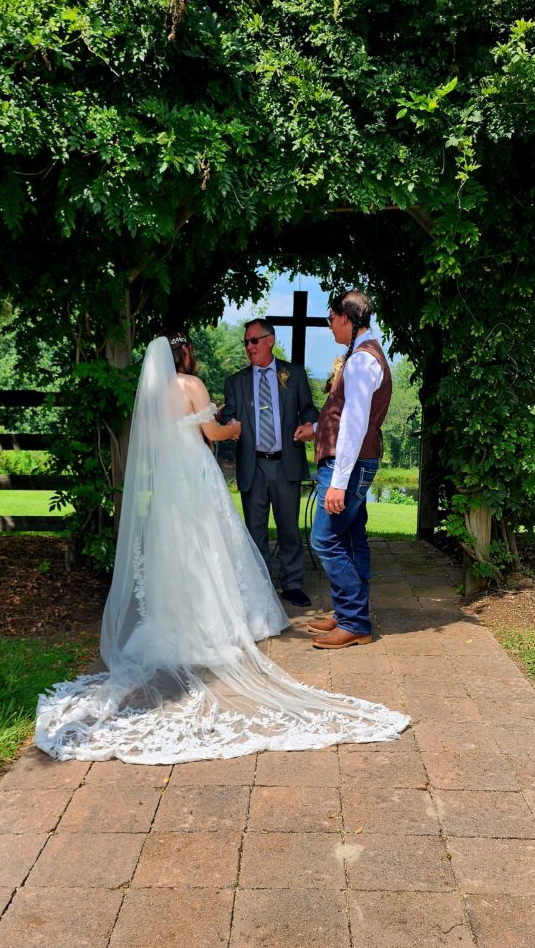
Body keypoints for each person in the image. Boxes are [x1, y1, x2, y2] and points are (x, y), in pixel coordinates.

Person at [35, 331, 408, 764]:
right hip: (195, 473)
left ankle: (177, 620)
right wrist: (230, 429)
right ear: (184, 354)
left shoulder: (154, 396)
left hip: (171, 485)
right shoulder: (191, 386)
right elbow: (213, 429)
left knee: (178, 552)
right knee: (211, 546)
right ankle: (217, 623)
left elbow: (157, 443)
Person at [295, 291, 392, 650]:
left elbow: (355, 425)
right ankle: (347, 612)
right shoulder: (359, 356)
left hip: (346, 465)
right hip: (348, 460)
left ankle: (354, 621)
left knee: (325, 539)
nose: (329, 325)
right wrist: (317, 430)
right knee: (351, 538)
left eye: (332, 318)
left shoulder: (362, 361)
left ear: (347, 319)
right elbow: (345, 417)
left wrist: (338, 483)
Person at [222, 319, 318, 608]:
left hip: (285, 462)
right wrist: (228, 422)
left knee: (289, 529)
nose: (249, 347)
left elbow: (309, 408)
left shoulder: (294, 374)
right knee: (255, 531)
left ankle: (292, 585)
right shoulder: (236, 381)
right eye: (246, 342)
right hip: (253, 465)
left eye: (254, 341)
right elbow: (229, 416)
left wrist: (310, 424)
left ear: (270, 341)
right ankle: (260, 586)